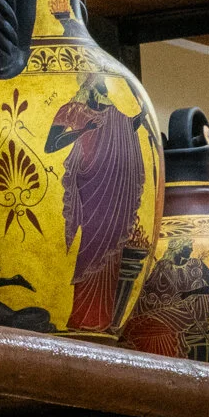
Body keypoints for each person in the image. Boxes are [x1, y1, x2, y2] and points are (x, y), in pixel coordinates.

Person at [46, 74, 147, 333]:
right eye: (98, 88)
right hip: (88, 186)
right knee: (90, 250)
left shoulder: (114, 114)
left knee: (111, 251)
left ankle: (101, 321)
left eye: (103, 89)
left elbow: (130, 126)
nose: (102, 93)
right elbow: (50, 146)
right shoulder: (71, 110)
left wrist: (142, 113)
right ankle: (80, 317)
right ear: (88, 88)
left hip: (113, 193)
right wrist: (82, 131)